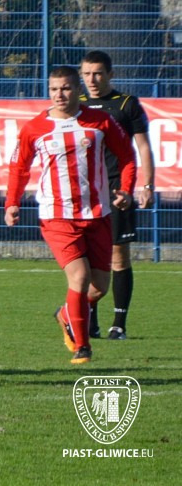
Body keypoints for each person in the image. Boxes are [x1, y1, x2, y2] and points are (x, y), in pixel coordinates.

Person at [5, 66, 136, 364]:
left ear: (78, 90)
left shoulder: (100, 122)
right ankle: (82, 346)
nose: (59, 94)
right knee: (79, 275)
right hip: (57, 215)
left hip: (98, 213)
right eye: (54, 89)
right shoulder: (34, 128)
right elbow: (19, 167)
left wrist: (126, 189)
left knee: (99, 287)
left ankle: (66, 314)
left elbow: (127, 155)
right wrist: (12, 203)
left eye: (65, 88)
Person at [80, 50, 155, 340]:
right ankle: (90, 322)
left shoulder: (126, 104)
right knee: (87, 260)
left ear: (110, 74)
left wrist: (146, 185)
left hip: (116, 190)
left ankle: (119, 324)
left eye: (98, 73)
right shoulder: (77, 104)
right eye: (87, 74)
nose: (92, 79)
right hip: (85, 191)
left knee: (118, 257)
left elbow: (143, 147)